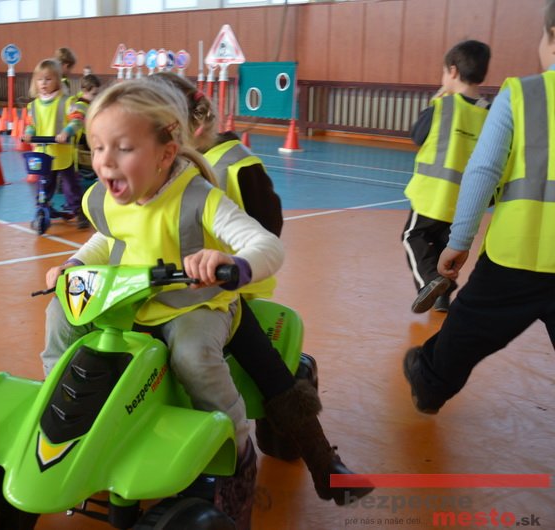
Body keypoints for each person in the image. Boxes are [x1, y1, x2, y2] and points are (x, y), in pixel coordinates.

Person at [40, 79, 284, 529]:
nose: (104, 161)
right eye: (97, 147)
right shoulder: (107, 197)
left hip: (193, 305)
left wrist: (232, 263)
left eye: (123, 148)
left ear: (166, 153)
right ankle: (61, 408)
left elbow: (266, 244)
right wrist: (74, 264)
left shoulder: (198, 197)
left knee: (192, 355)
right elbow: (107, 238)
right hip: (129, 300)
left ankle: (237, 445)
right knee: (61, 313)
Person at [147, 72, 374, 506]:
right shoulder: (153, 168)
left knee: (269, 370)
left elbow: (268, 228)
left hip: (221, 293)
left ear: (192, 125)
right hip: (154, 292)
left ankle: (325, 465)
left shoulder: (235, 163)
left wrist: (229, 263)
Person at [404, 0, 555, 414]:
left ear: (553, 37)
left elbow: (484, 169)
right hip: (519, 254)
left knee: (469, 329)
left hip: (519, 253)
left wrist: (460, 240)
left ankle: (429, 385)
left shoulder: (523, 94)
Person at [402, 40, 492, 313]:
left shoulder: (442, 107)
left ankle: (428, 281)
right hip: (466, 201)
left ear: (452, 71)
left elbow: (418, 136)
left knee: (413, 235)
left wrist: (436, 101)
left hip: (432, 195)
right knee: (447, 244)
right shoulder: (490, 113)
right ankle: (443, 296)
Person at [22, 59, 87, 227]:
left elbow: (77, 119)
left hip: (62, 152)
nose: (43, 83)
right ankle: (42, 207)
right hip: (43, 153)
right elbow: (31, 124)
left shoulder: (66, 102)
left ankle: (79, 211)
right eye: (40, 79)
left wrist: (66, 132)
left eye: (48, 79)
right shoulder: (33, 106)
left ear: (57, 81)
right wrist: (28, 134)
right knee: (43, 184)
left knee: (70, 185)